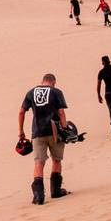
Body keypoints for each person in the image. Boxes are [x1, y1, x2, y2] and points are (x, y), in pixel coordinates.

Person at [18, 73, 71, 204]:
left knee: (39, 163)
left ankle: (38, 196)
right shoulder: (56, 91)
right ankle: (55, 191)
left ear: (42, 81)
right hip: (54, 131)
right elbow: (61, 112)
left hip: (37, 132)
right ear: (53, 82)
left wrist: (21, 132)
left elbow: (21, 111)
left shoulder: (31, 92)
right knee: (56, 160)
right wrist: (64, 130)